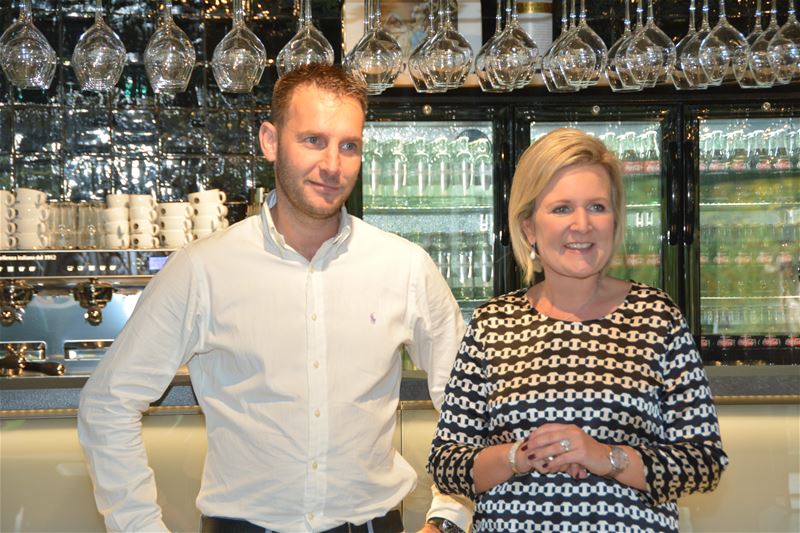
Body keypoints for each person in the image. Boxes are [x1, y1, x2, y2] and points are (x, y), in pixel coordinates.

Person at [78, 64, 470, 533]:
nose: (333, 164)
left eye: (349, 146)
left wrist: (449, 517)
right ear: (270, 141)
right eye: (313, 140)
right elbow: (108, 403)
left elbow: (467, 404)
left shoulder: (404, 267)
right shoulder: (203, 269)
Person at [427, 128, 728, 531]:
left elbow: (704, 461)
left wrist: (604, 456)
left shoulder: (657, 317)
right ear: (529, 227)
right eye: (562, 208)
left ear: (615, 220)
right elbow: (445, 463)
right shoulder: (492, 324)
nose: (582, 225)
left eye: (597, 207)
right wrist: (522, 455)